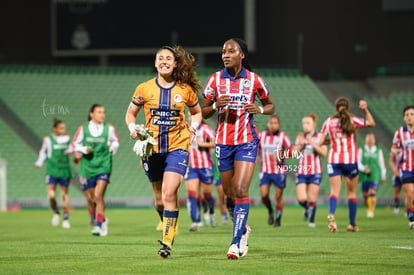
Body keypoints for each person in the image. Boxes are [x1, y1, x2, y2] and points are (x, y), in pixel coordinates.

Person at [125, 45, 202, 258]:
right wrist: (133, 129)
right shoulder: (144, 89)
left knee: (170, 192)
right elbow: (130, 114)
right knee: (159, 199)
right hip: (152, 149)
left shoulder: (185, 89)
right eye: (160, 58)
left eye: (169, 58)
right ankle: (165, 220)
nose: (164, 61)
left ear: (175, 63)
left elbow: (196, 113)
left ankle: (167, 243)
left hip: (178, 147)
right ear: (155, 63)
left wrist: (193, 128)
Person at [202, 38, 275, 260]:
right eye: (223, 51)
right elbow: (202, 110)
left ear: (241, 54)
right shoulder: (215, 80)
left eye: (231, 51)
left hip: (247, 141)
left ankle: (236, 243)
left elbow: (271, 105)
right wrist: (215, 105)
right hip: (223, 143)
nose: (225, 55)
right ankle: (242, 228)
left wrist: (260, 109)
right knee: (229, 195)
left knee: (241, 190)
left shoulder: (254, 80)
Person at [320, 97, 375, 233]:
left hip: (334, 160)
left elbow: (321, 141)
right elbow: (371, 123)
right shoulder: (352, 120)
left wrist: (331, 141)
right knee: (351, 193)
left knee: (334, 192)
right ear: (348, 108)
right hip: (350, 161)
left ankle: (332, 213)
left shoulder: (329, 122)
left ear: (335, 108)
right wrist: (365, 109)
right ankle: (352, 224)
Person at [72, 104, 119, 236]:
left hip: (104, 165)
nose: (102, 114)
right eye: (99, 112)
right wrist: (83, 149)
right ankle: (102, 219)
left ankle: (98, 226)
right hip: (87, 167)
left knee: (98, 196)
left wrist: (112, 148)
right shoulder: (83, 128)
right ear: (92, 114)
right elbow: (75, 144)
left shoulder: (109, 128)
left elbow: (115, 141)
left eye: (103, 112)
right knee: (92, 199)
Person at [35, 118, 73, 229]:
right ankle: (56, 212)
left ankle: (66, 219)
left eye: (64, 128)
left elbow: (72, 148)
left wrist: (73, 152)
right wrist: (39, 162)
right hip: (52, 170)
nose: (63, 130)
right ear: (54, 129)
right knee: (51, 196)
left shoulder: (67, 139)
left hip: (64, 170)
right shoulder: (48, 140)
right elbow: (43, 152)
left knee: (64, 195)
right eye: (61, 128)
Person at [295, 113, 327, 228]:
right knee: (301, 198)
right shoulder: (300, 137)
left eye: (308, 123)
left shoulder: (320, 137)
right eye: (303, 123)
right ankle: (307, 209)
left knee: (312, 198)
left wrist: (312, 143)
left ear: (314, 124)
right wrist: (300, 146)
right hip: (302, 171)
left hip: (315, 171)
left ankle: (312, 221)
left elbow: (324, 153)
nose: (305, 125)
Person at [258, 115, 291, 228]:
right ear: (268, 124)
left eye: (275, 123)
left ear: (279, 124)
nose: (273, 125)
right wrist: (256, 157)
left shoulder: (283, 137)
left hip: (279, 171)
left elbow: (291, 152)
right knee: (264, 195)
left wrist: (281, 155)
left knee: (278, 196)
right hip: (265, 170)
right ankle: (270, 210)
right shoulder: (261, 136)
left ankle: (278, 218)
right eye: (271, 123)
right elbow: (255, 149)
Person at [185, 120, 216, 231]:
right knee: (192, 194)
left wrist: (202, 144)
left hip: (205, 166)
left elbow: (216, 142)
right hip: (191, 167)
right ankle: (196, 221)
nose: (190, 117)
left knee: (206, 195)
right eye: (189, 114)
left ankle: (211, 212)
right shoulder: (185, 128)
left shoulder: (205, 128)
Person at [391, 105, 414, 229]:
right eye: (407, 115)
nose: (410, 117)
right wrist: (395, 150)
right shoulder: (399, 132)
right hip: (406, 168)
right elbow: (393, 147)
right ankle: (412, 219)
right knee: (409, 194)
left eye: (412, 114)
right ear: (404, 118)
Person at [357, 133, 386, 218]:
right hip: (364, 175)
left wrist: (383, 176)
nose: (370, 140)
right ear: (365, 140)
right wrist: (363, 168)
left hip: (375, 175)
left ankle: (371, 211)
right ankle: (369, 207)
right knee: (365, 195)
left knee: (372, 192)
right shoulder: (361, 150)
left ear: (374, 140)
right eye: (368, 138)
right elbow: (357, 162)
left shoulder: (378, 151)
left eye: (372, 139)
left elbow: (382, 164)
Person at [212, 152, 228, 225]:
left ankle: (234, 213)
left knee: (230, 196)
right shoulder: (214, 154)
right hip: (218, 176)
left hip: (228, 175)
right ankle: (224, 216)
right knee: (221, 196)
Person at [389, 150, 403, 216]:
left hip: (408, 172)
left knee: (409, 192)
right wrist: (395, 170)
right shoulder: (395, 148)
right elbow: (391, 160)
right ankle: (397, 208)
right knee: (397, 194)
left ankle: (408, 210)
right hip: (397, 174)